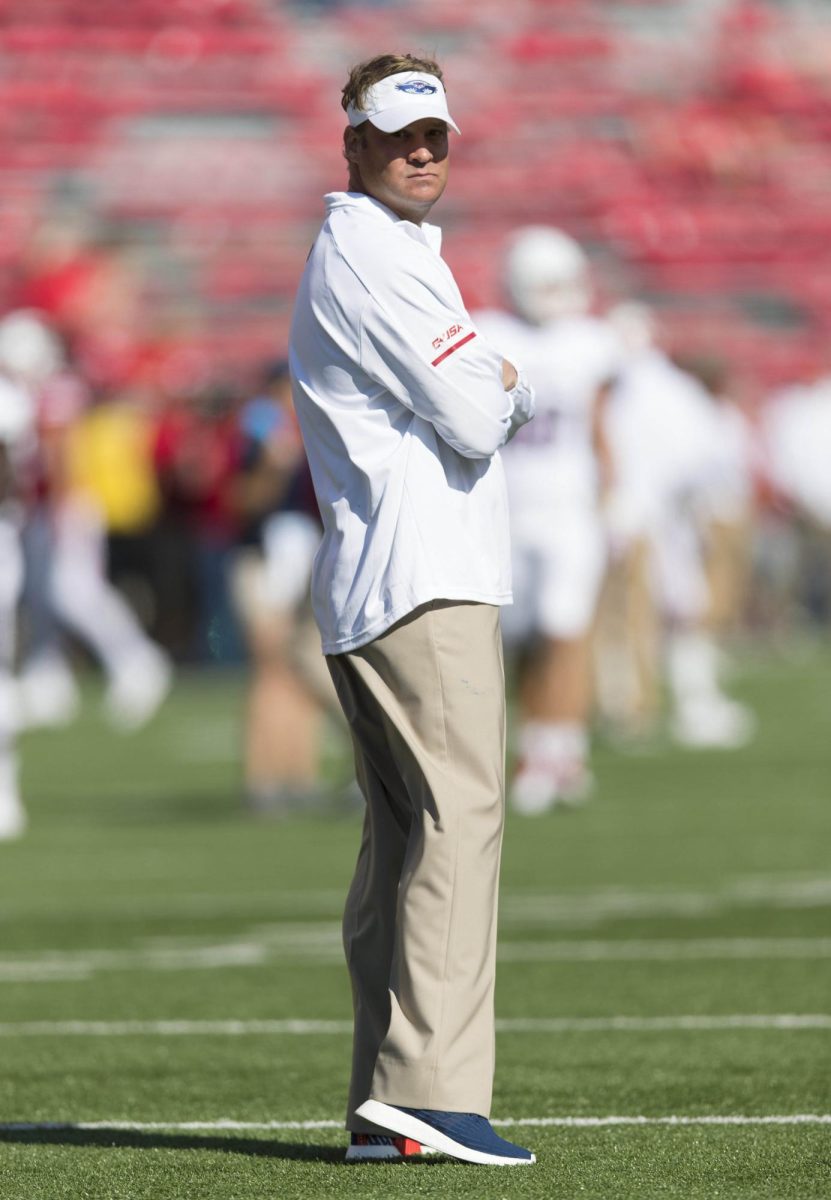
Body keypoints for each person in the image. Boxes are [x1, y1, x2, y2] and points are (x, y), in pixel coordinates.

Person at [289, 54, 536, 1166]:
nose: (423, 151)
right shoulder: (374, 251)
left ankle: (385, 1109)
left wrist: (489, 381)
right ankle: (429, 1094)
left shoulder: (375, 249)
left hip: (387, 573)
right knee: (459, 818)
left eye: (435, 132)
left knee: (402, 841)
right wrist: (509, 381)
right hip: (421, 572)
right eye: (400, 135)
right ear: (355, 143)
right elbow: (477, 417)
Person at [475, 228, 623, 814]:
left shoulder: (593, 342)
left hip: (568, 509)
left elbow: (601, 429)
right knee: (513, 642)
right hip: (503, 509)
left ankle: (557, 750)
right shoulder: (488, 332)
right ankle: (536, 747)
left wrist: (616, 497)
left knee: (565, 630)